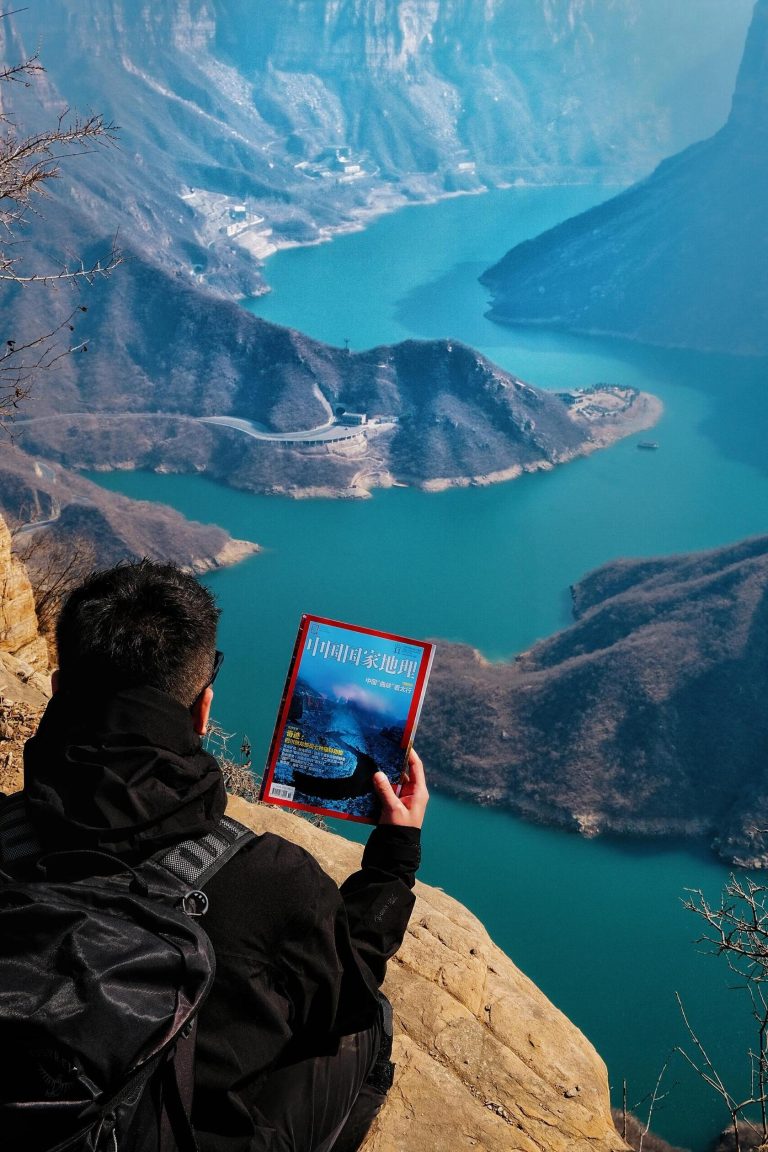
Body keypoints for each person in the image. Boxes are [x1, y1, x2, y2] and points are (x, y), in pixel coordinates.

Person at [16, 560, 428, 1152]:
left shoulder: (7, 834)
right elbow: (348, 990)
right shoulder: (270, 878)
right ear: (203, 711)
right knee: (369, 1027)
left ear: (56, 690)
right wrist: (393, 861)